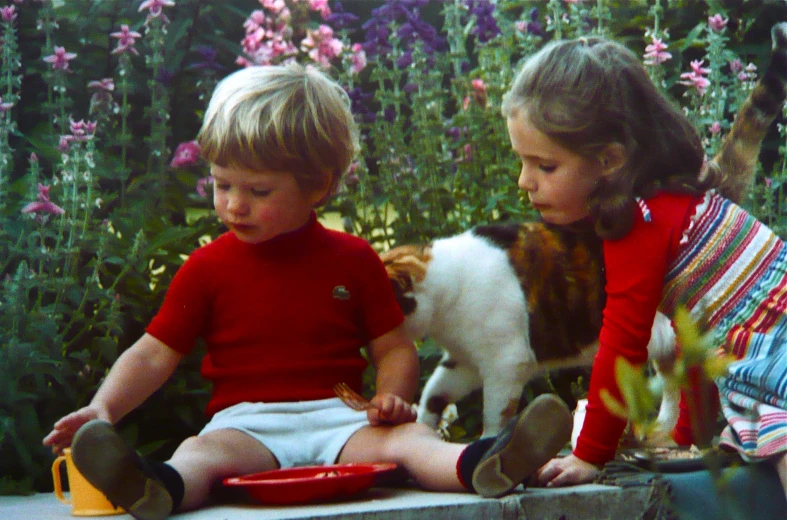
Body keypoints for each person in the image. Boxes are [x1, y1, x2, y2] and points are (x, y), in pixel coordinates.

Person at [42, 63, 573, 520]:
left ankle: (489, 462)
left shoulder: (352, 259)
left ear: (317, 187)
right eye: (222, 185)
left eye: (257, 191)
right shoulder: (206, 267)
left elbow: (392, 347)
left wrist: (393, 395)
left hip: (342, 420)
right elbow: (154, 352)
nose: (233, 205)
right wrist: (104, 408)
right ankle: (155, 487)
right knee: (198, 453)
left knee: (414, 443)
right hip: (246, 424)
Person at [497, 35, 787, 500]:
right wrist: (689, 436)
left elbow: (624, 342)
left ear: (609, 160)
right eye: (523, 161)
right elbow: (700, 326)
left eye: (544, 166)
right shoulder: (672, 198)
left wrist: (589, 453)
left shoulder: (639, 222)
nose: (524, 182)